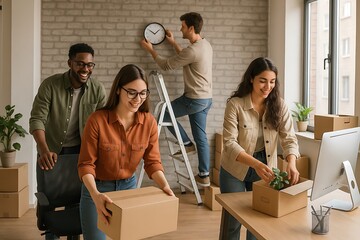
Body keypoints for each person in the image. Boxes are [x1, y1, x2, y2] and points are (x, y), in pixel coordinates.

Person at [77, 64, 174, 240]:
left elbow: (152, 162)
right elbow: (86, 165)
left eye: (143, 93)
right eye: (132, 92)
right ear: (118, 90)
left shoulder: (149, 122)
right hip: (97, 190)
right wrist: (96, 195)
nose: (138, 99)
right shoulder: (97, 120)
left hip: (128, 188)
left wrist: (165, 186)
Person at [29, 42, 106, 240]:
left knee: (77, 200)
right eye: (80, 64)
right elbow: (37, 118)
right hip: (51, 150)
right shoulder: (50, 85)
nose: (85, 69)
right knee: (51, 201)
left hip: (81, 152)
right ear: (70, 63)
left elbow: (103, 124)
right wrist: (44, 149)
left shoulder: (97, 89)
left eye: (89, 65)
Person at [219, 57, 300, 240]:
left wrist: (292, 162)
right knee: (233, 222)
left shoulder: (279, 105)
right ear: (251, 79)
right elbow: (229, 143)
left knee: (258, 221)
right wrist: (255, 164)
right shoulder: (235, 105)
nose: (267, 86)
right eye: (262, 81)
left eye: (272, 81)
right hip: (235, 168)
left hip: (266, 167)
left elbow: (289, 137)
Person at [140, 12, 213, 187]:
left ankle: (186, 143)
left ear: (191, 28)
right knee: (201, 137)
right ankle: (204, 175)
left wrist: (150, 50)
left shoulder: (193, 50)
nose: (180, 29)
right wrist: (173, 43)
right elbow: (186, 57)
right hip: (206, 98)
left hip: (194, 98)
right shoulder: (204, 45)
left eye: (182, 26)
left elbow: (167, 65)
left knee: (164, 113)